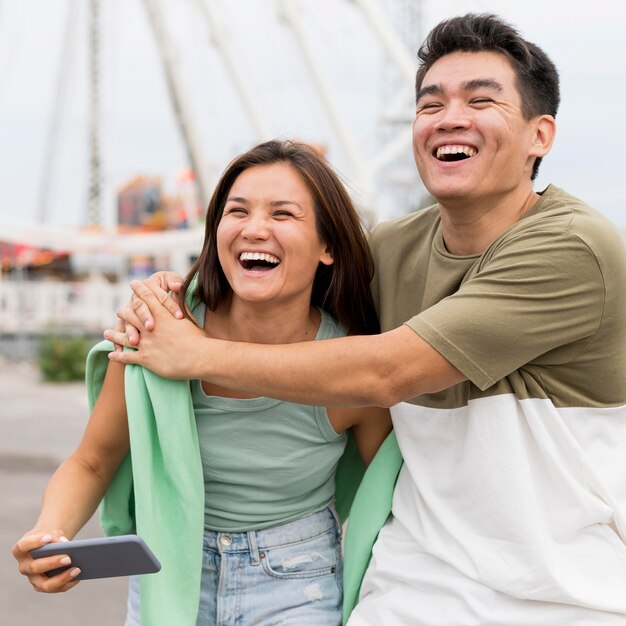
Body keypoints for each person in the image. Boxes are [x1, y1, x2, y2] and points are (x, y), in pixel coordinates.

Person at [104, 13, 626, 625]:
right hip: (411, 584)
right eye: (431, 103)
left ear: (541, 135)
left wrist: (195, 355)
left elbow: (389, 372)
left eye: (480, 100)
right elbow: (272, 283)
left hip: (558, 593)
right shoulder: (389, 250)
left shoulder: (573, 247)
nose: (450, 117)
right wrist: (173, 296)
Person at [12, 139, 392, 626]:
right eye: (237, 211)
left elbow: (387, 495)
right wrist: (51, 533)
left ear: (329, 246)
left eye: (283, 214)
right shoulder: (158, 329)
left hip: (297, 581)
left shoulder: (349, 368)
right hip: (169, 569)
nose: (255, 228)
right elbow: (93, 459)